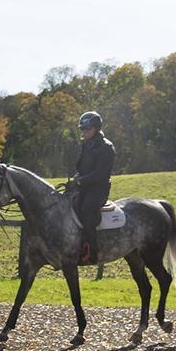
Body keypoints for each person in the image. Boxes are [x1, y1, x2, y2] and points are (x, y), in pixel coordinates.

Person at [68, 111, 115, 264]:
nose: (84, 132)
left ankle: (94, 251)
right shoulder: (86, 145)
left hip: (98, 190)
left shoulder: (106, 147)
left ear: (96, 128)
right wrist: (76, 178)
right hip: (84, 187)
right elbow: (82, 168)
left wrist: (81, 181)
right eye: (82, 129)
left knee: (87, 210)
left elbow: (100, 174)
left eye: (87, 129)